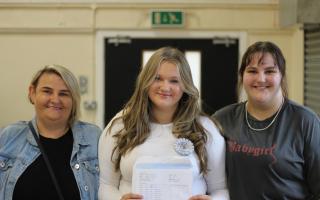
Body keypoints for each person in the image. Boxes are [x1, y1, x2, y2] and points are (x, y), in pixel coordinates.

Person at [98, 47, 229, 200]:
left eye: (174, 81)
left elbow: (221, 189)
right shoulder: (121, 124)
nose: (165, 87)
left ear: (185, 86)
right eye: (157, 78)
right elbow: (105, 184)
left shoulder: (205, 128)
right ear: (145, 81)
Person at [213, 41, 320, 199]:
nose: (261, 79)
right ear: (242, 76)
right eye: (252, 71)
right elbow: (209, 178)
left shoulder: (305, 121)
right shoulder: (222, 119)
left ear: (281, 75)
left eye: (269, 71)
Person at [0, 65, 101, 200]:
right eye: (47, 91)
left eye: (64, 93)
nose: (55, 100)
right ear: (32, 93)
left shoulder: (93, 138)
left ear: (74, 100)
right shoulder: (10, 137)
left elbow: (109, 186)